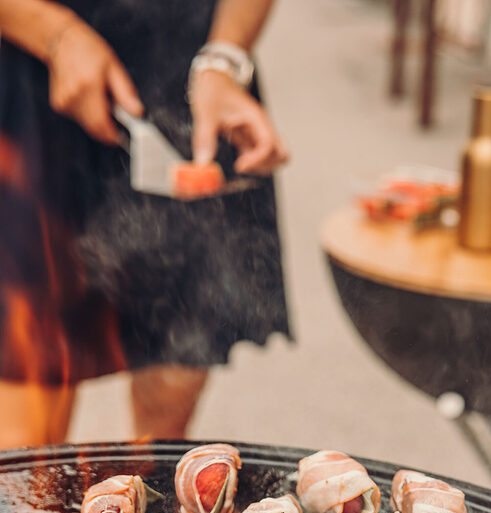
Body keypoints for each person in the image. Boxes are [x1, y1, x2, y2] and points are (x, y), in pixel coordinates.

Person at [0, 0, 289, 447]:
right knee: (24, 446)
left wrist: (225, 58)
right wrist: (56, 35)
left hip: (188, 84)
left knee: (168, 412)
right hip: (28, 83)